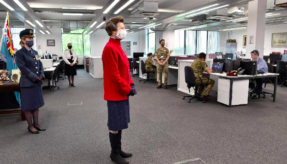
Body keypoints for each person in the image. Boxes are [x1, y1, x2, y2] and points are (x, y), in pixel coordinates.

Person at [102, 15, 136, 164]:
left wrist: (131, 83)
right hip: (116, 93)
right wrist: (127, 88)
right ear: (114, 31)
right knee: (115, 124)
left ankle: (119, 149)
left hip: (122, 91)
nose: (124, 30)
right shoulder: (109, 48)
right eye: (122, 28)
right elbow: (114, 75)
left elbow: (125, 70)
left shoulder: (118, 45)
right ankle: (114, 153)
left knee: (120, 122)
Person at [15, 29, 46, 134]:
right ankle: (30, 126)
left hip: (37, 82)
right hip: (28, 83)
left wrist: (41, 75)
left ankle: (36, 124)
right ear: (23, 40)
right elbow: (23, 68)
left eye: (32, 38)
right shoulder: (19, 53)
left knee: (36, 105)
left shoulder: (35, 52)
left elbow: (40, 64)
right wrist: (35, 77)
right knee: (28, 106)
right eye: (29, 38)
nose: (31, 40)